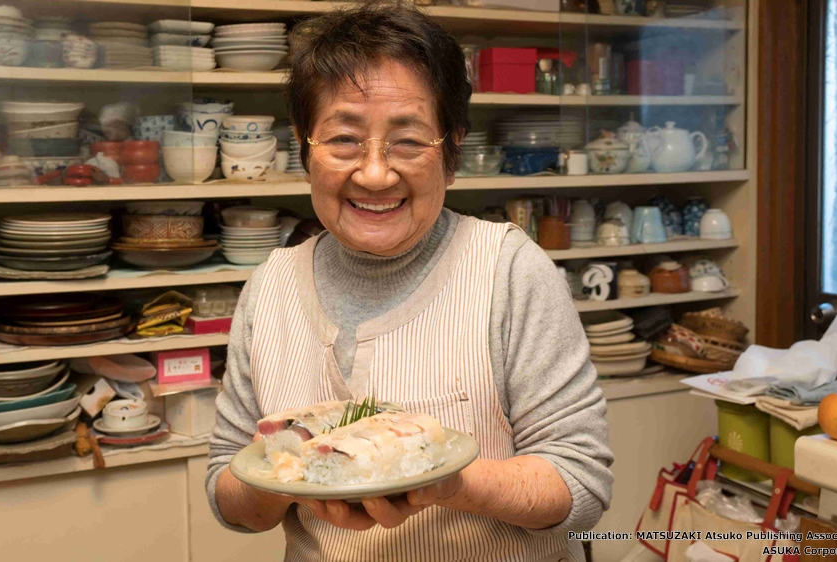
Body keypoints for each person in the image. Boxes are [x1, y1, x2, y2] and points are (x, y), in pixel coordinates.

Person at [206, 2, 614, 560]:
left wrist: (448, 481)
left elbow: (581, 484)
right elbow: (229, 499)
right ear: (304, 147)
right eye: (344, 139)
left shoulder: (509, 272)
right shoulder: (270, 286)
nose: (375, 173)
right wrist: (281, 467)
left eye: (408, 140)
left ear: (452, 153)